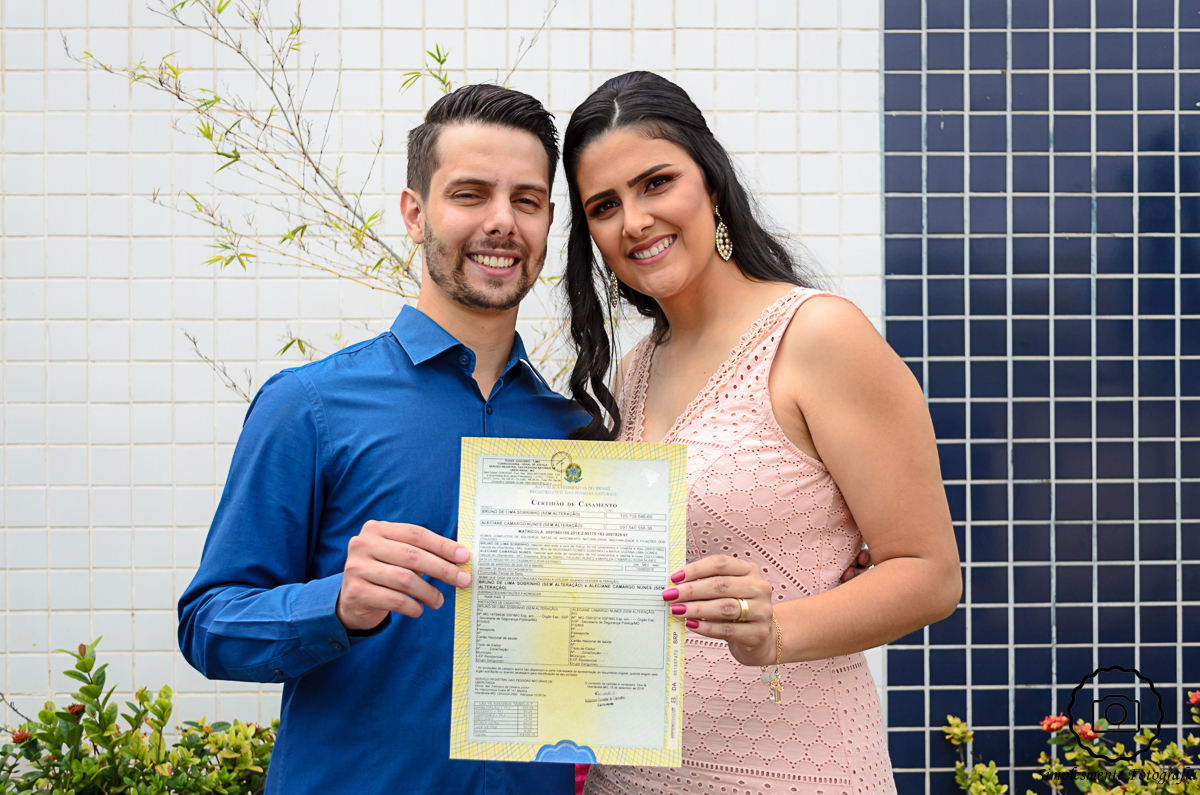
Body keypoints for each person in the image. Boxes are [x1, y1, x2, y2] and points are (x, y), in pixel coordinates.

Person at [561, 72, 962, 795]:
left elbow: (929, 574)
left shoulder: (817, 336)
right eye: (604, 205)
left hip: (794, 772)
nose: (635, 221)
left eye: (657, 183)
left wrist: (778, 628)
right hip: (632, 778)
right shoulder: (633, 373)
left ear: (712, 184)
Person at [176, 84, 579, 795]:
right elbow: (208, 624)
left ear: (547, 220)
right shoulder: (308, 405)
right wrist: (335, 604)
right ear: (415, 214)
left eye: (527, 200)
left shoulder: (573, 433)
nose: (501, 221)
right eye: (470, 194)